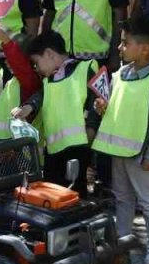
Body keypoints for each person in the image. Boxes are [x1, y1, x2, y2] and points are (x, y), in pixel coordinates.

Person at [91, 16, 149, 264]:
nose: (120, 47)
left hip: (142, 153)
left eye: (125, 43)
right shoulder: (119, 75)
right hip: (119, 150)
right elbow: (118, 110)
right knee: (123, 198)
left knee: (148, 200)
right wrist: (103, 108)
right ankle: (122, 242)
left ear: (145, 49)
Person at [13, 30, 99, 196]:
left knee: (75, 196)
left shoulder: (87, 67)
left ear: (49, 54)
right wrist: (28, 107)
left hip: (79, 147)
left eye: (36, 63)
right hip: (53, 151)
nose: (36, 68)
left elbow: (95, 103)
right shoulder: (48, 81)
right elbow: (40, 97)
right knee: (54, 195)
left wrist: (91, 131)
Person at [0, 25, 42, 141]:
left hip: (13, 142)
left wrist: (6, 41)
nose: (7, 60)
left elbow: (18, 62)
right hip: (1, 139)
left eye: (8, 56)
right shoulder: (15, 80)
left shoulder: (29, 79)